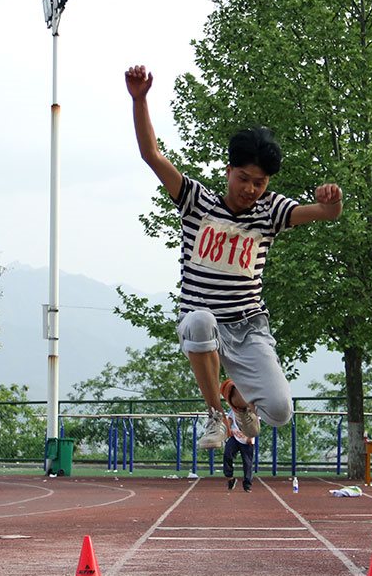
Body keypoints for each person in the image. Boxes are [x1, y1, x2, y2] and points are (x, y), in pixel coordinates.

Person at [125, 65, 343, 450]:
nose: (250, 189)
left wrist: (332, 200)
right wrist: (140, 100)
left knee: (279, 412)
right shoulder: (196, 202)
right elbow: (151, 155)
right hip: (201, 323)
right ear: (228, 171)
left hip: (248, 327)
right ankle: (215, 415)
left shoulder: (270, 211)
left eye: (260, 183)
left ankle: (237, 398)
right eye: (243, 178)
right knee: (200, 320)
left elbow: (325, 214)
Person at [223, 410, 254, 492]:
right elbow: (230, 419)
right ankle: (230, 477)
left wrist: (250, 437)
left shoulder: (251, 410)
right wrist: (228, 430)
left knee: (247, 462)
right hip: (235, 437)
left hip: (247, 438)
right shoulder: (234, 409)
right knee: (227, 454)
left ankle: (247, 484)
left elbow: (255, 424)